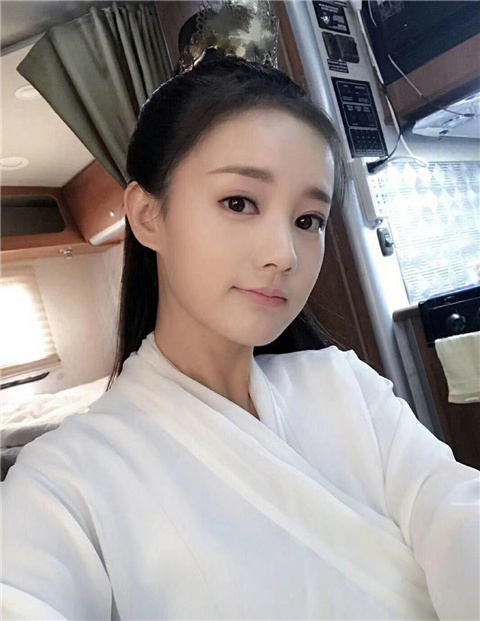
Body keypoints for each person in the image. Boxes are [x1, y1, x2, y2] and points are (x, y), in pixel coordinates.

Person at [2, 43, 479, 621]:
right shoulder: (65, 480)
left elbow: (456, 511)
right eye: (239, 202)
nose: (284, 254)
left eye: (308, 220)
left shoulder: (346, 384)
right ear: (148, 215)